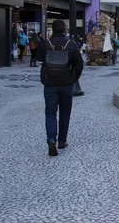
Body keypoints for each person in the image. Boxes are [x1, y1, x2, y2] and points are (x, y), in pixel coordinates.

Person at [37, 20, 83, 156]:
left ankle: (51, 139)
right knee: (65, 112)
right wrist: (73, 78)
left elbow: (38, 57)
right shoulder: (71, 44)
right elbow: (79, 64)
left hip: (50, 83)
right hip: (66, 83)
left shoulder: (46, 44)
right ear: (64, 30)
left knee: (50, 112)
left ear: (52, 29)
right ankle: (62, 141)